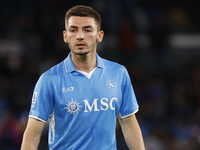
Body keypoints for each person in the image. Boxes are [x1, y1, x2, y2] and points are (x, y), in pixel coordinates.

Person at [21, 5, 145, 150]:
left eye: (87, 30)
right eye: (73, 30)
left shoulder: (118, 73)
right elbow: (32, 135)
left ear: (100, 35)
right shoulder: (49, 80)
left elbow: (129, 122)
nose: (80, 36)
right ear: (65, 36)